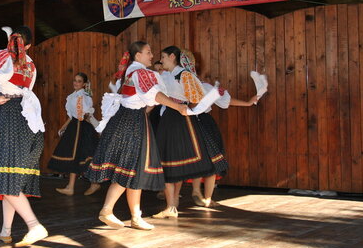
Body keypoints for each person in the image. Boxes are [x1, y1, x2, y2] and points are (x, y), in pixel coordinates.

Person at [85, 41, 187, 231]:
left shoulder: (132, 72)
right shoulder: (140, 72)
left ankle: (135, 216)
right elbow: (154, 95)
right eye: (148, 52)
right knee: (129, 168)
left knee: (133, 170)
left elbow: (147, 101)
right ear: (138, 56)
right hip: (131, 123)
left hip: (132, 120)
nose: (151, 55)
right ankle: (107, 210)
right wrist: (179, 106)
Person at [0, 26, 48, 247]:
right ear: (29, 45)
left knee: (6, 176)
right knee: (10, 176)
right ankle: (5, 230)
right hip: (26, 117)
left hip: (8, 115)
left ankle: (34, 225)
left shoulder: (3, 54)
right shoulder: (30, 64)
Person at [179, 49, 259, 208]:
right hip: (200, 121)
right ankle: (206, 197)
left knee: (198, 157)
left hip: (187, 121)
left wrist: (248, 103)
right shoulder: (202, 86)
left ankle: (198, 192)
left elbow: (225, 100)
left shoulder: (179, 85)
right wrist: (248, 103)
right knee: (211, 157)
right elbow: (225, 100)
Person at [48, 72, 100, 196]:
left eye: (79, 81)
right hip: (74, 126)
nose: (76, 83)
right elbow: (72, 116)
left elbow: (86, 114)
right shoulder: (72, 96)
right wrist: (63, 127)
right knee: (74, 156)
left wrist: (89, 120)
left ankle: (94, 183)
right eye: (75, 80)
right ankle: (70, 187)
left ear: (84, 84)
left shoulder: (84, 96)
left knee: (85, 156)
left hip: (83, 128)